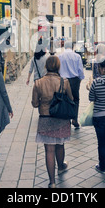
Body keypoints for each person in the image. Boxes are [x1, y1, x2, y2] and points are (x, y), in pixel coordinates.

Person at [32, 55, 73, 188]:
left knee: (49, 150)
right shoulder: (64, 82)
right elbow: (70, 98)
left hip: (45, 118)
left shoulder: (38, 82)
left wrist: (42, 102)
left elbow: (34, 103)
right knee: (60, 145)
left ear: (46, 66)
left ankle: (52, 182)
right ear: (58, 66)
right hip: (61, 118)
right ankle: (61, 166)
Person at [58, 41, 85, 129]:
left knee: (64, 99)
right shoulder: (77, 56)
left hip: (63, 80)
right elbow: (80, 70)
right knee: (75, 99)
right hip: (74, 80)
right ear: (72, 47)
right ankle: (74, 119)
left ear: (65, 47)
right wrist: (80, 79)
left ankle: (66, 120)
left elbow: (58, 70)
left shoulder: (60, 56)